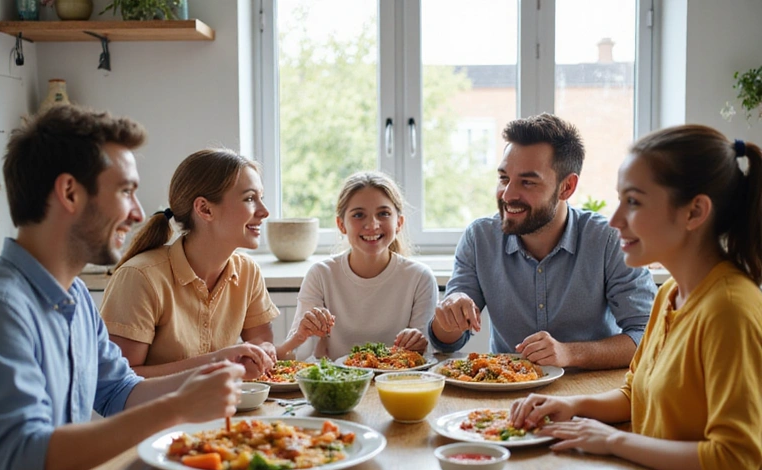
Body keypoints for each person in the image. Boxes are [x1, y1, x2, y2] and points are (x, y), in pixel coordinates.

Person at [0, 105, 247, 470]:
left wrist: (210, 371)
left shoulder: (74, 295)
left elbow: (119, 392)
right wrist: (179, 408)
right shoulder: (4, 307)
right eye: (125, 190)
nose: (137, 212)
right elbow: (25, 457)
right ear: (70, 193)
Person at [510, 125, 762, 470]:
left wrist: (613, 442)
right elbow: (635, 395)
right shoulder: (670, 294)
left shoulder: (729, 309)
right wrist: (574, 407)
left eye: (634, 202)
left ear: (694, 211)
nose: (614, 220)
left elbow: (734, 461)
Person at [429, 113, 656, 369]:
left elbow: (650, 336)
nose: (508, 194)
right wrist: (447, 318)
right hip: (507, 392)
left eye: (527, 182)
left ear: (567, 187)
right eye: (504, 178)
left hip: (591, 391)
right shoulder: (480, 238)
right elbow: (448, 342)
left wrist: (570, 354)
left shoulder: (608, 240)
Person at [99, 149, 278, 378]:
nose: (264, 211)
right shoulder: (140, 277)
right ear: (205, 209)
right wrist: (216, 363)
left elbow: (261, 341)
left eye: (260, 198)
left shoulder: (248, 271)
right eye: (250, 198)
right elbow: (120, 382)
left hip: (224, 410)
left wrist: (264, 351)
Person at [276, 171, 438, 360]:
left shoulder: (420, 277)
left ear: (399, 223)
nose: (372, 224)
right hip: (339, 384)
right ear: (341, 224)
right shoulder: (321, 274)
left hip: (396, 382)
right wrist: (300, 335)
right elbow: (294, 356)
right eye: (359, 215)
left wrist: (418, 343)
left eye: (383, 214)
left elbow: (424, 356)